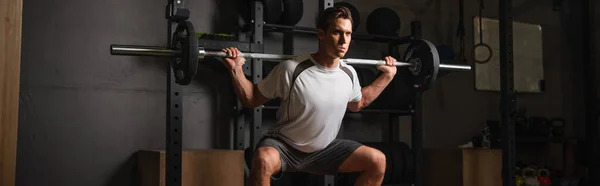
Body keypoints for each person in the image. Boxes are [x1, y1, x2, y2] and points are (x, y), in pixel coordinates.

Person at [221, 6, 398, 186]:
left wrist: (387, 76)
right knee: (263, 160)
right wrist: (236, 70)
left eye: (348, 33)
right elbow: (251, 98)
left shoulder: (349, 73)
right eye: (337, 32)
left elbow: (358, 103)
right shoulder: (291, 69)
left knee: (377, 161)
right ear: (321, 34)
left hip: (325, 150)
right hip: (285, 147)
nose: (344, 40)